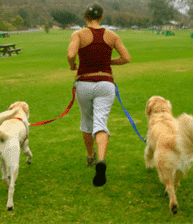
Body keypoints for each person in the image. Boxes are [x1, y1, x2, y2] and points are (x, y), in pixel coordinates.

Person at [67, 2, 131, 187]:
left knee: (86, 121)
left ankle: (90, 156)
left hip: (84, 83)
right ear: (101, 17)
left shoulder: (78, 34)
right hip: (105, 83)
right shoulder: (112, 36)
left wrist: (72, 65)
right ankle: (101, 159)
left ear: (85, 17)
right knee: (100, 122)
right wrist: (109, 62)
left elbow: (71, 54)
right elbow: (126, 58)